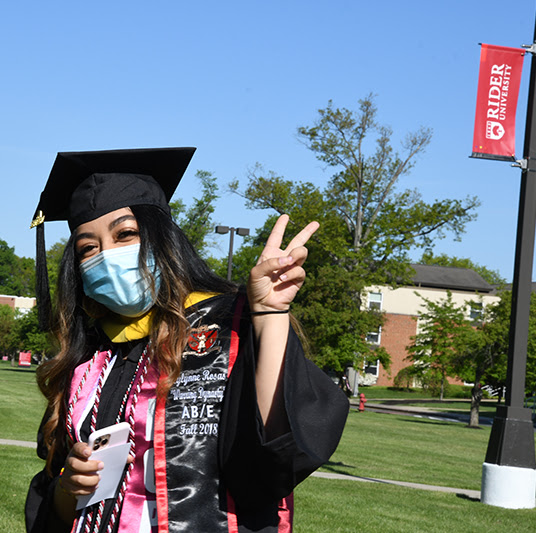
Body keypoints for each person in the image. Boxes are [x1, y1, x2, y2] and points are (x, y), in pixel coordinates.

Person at [25, 147, 349, 533]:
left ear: (162, 239)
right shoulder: (88, 362)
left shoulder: (229, 328)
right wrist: (68, 487)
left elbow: (275, 452)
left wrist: (269, 314)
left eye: (125, 234)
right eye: (88, 248)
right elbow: (52, 504)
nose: (107, 256)